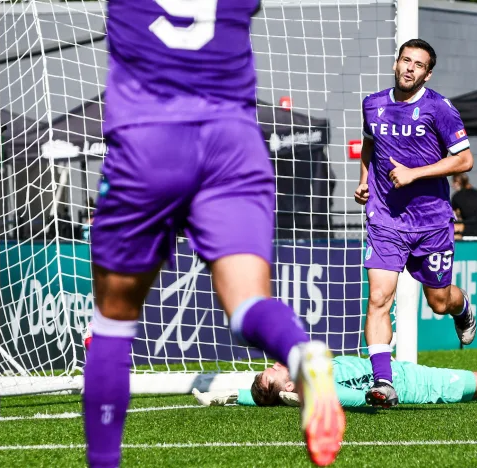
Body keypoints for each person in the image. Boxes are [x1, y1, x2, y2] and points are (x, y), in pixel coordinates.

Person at [85, 2, 345, 467]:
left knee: (113, 322)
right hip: (234, 143)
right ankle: (300, 354)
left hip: (149, 138)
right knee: (247, 303)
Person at [353, 38, 477, 408]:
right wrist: (363, 180)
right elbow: (369, 144)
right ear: (396, 63)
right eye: (405, 60)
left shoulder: (439, 109)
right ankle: (384, 382)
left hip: (431, 221)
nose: (409, 68)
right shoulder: (372, 103)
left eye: (418, 64)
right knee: (378, 297)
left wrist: (414, 173)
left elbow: (465, 160)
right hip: (386, 218)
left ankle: (463, 307)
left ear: (427, 73)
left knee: (439, 302)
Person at [193, 356, 477, 408]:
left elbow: (255, 398)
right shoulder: (316, 392)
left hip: (404, 370)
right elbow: (359, 402)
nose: (279, 365)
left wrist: (227, 399)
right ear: (282, 387)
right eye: (275, 373)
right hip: (417, 385)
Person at [451, 174, 477, 238]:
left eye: (453, 182)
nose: (452, 185)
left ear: (457, 183)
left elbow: (454, 217)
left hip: (468, 231)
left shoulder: (456, 197)